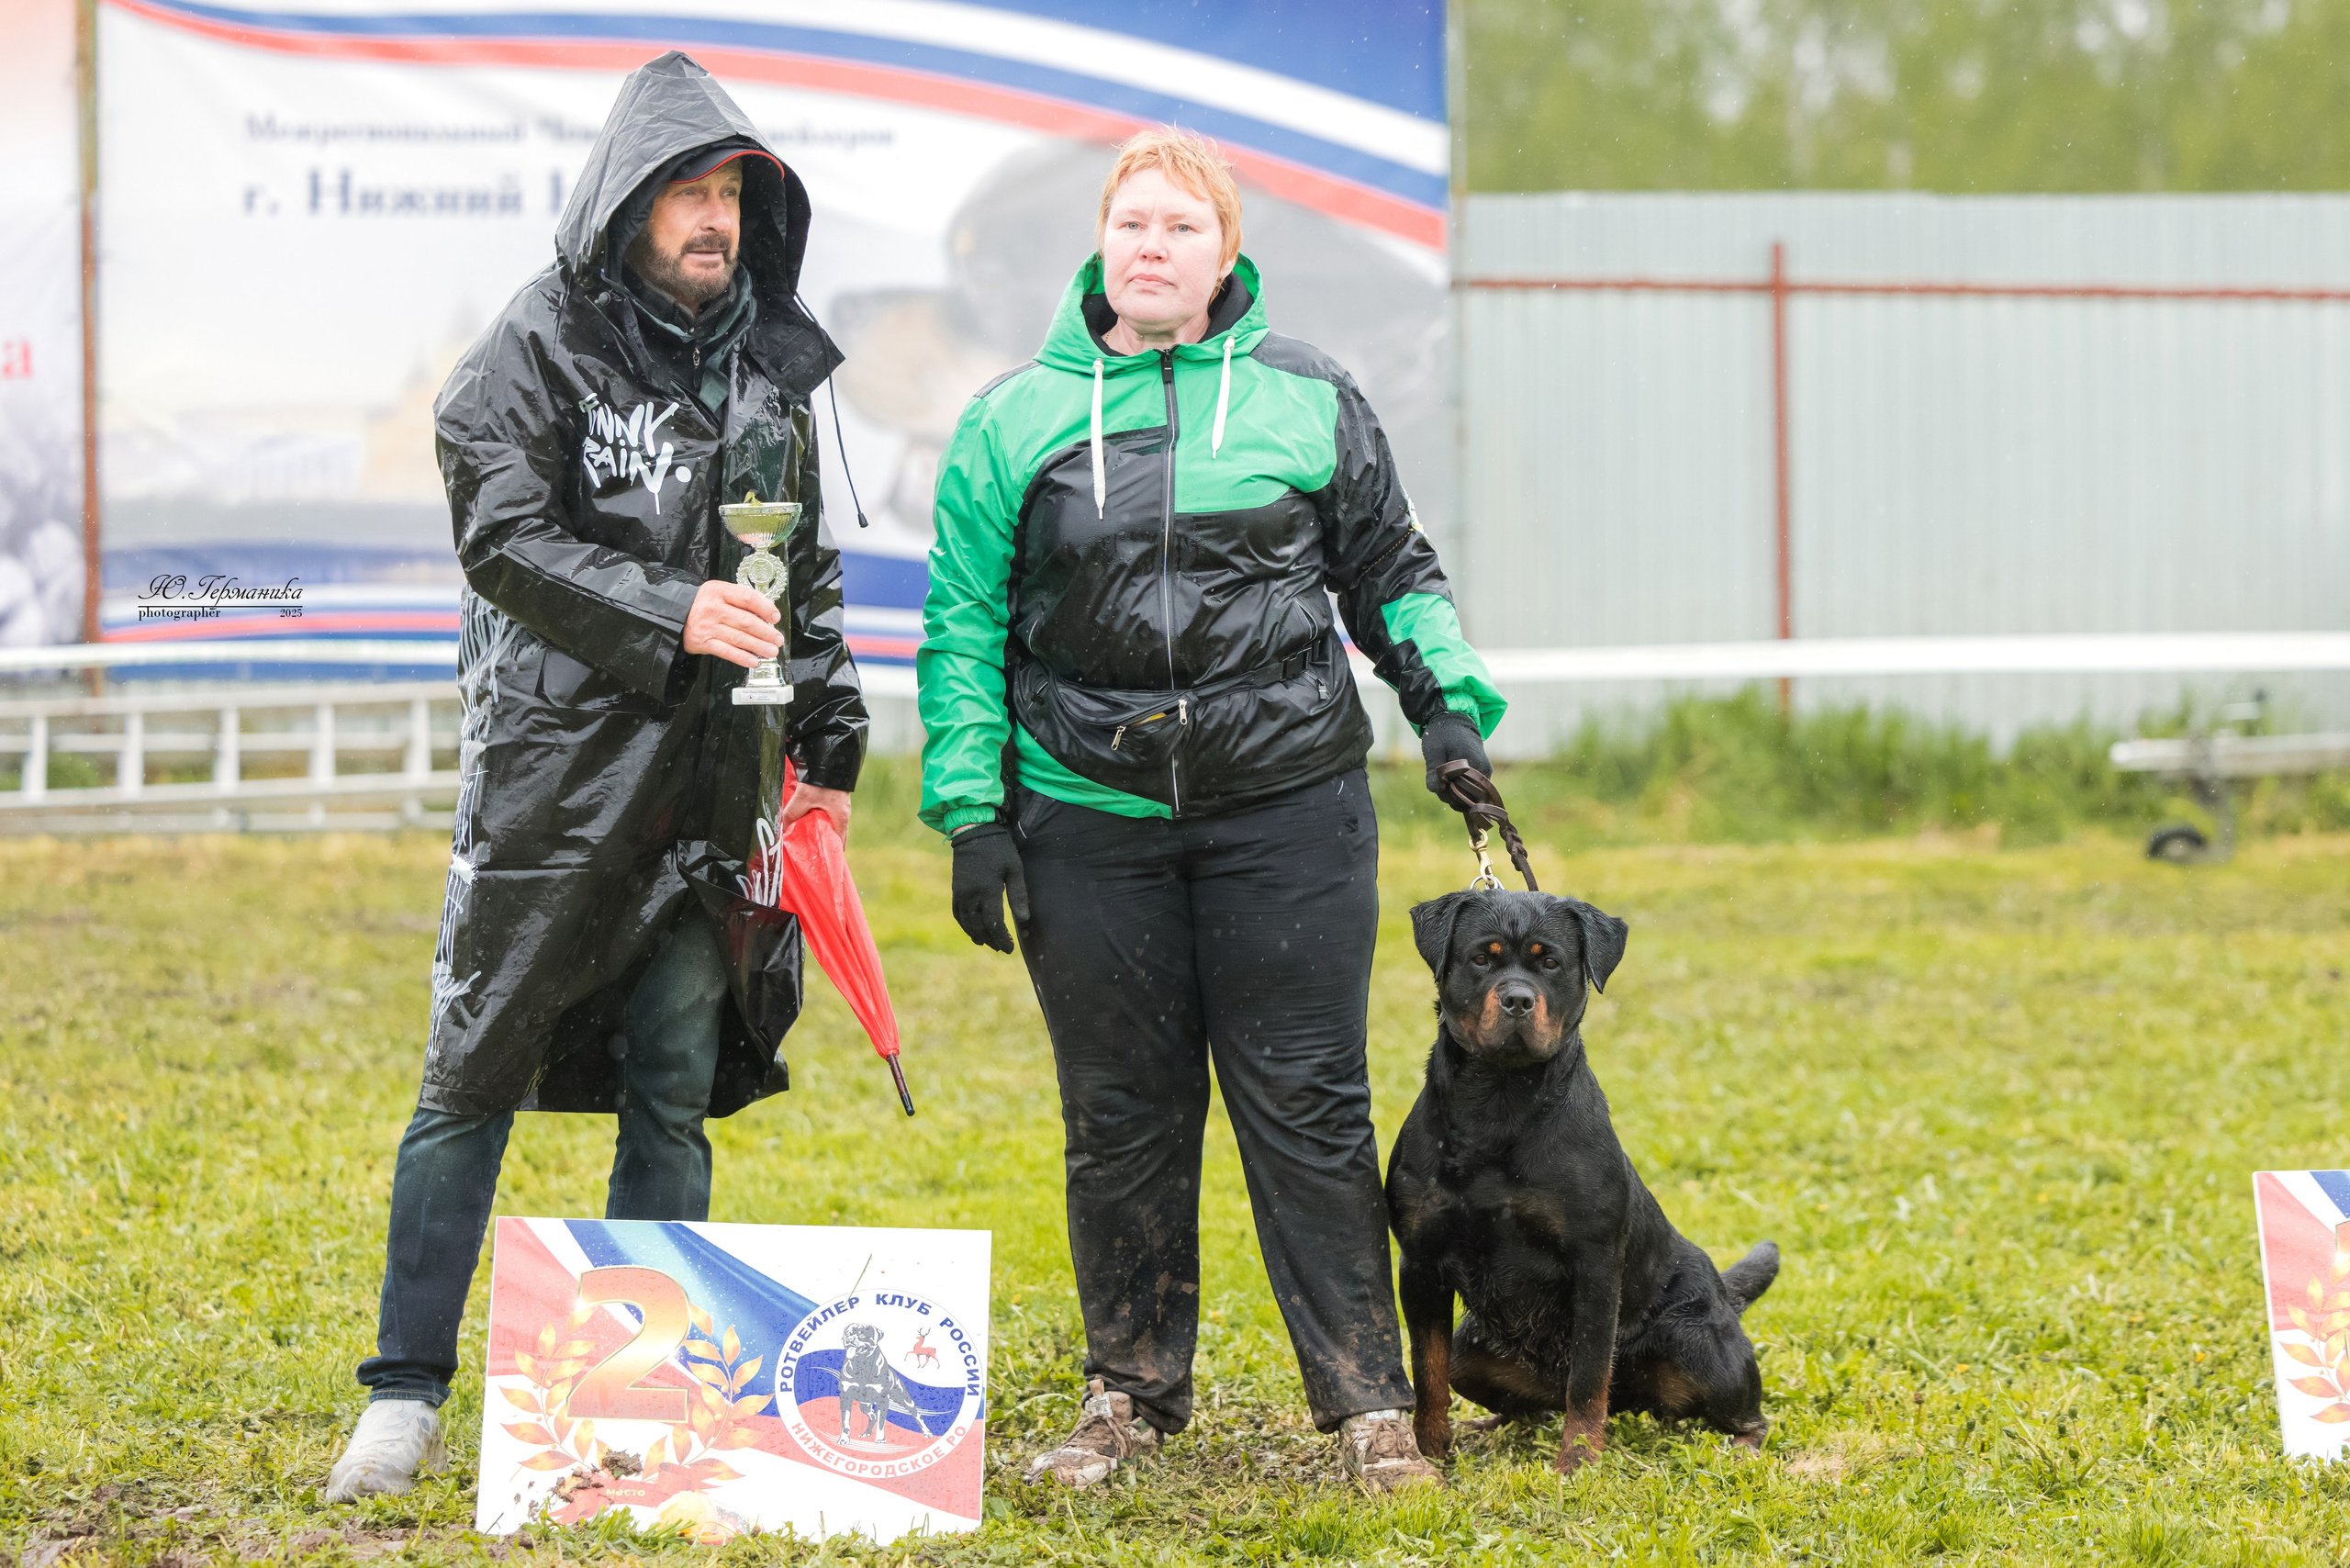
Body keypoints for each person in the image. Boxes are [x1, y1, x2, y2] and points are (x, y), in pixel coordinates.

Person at [917, 129, 1505, 1493]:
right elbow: (962, 628)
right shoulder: (1013, 418)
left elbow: (1391, 572)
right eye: (1132, 224)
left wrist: (1449, 707)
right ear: (1101, 245)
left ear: (1226, 253)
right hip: (1085, 815)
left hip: (1287, 809)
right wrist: (970, 814)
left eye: (1181, 227)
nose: (1153, 248)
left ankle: (1365, 1404)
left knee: (1308, 1103)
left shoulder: (1309, 395)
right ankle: (1127, 1394)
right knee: (1119, 1112)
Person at [324, 51, 866, 1501]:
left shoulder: (771, 362)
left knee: (674, 1086)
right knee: (471, 1072)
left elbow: (800, 573)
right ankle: (404, 1393)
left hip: (712, 787)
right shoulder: (530, 346)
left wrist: (833, 739)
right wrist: (665, 608)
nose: (713, 221)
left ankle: (636, 1405)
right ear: (625, 204)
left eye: (732, 196)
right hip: (554, 787)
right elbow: (501, 538)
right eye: (687, 192)